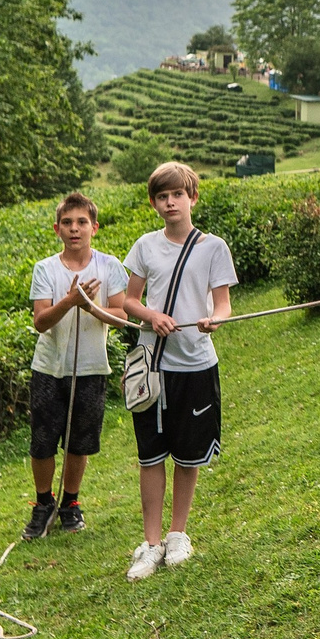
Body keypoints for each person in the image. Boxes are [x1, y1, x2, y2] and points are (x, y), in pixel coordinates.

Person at [116, 161, 236, 582]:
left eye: (177, 195)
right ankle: (150, 545)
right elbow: (129, 301)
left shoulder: (213, 247)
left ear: (193, 198)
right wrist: (152, 315)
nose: (170, 203)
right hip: (152, 365)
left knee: (188, 455)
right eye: (162, 197)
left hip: (196, 364)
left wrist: (214, 319)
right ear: (154, 203)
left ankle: (178, 533)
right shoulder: (145, 246)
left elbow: (222, 303)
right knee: (151, 455)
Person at [25, 192, 128, 540]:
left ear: (94, 228)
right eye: (67, 223)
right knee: (42, 440)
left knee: (78, 442)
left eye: (82, 222)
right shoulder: (45, 269)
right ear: (57, 229)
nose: (74, 229)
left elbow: (121, 315)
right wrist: (70, 301)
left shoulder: (109, 265)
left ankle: (70, 502)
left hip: (91, 368)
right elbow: (40, 321)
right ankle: (43, 503)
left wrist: (91, 308)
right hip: (49, 368)